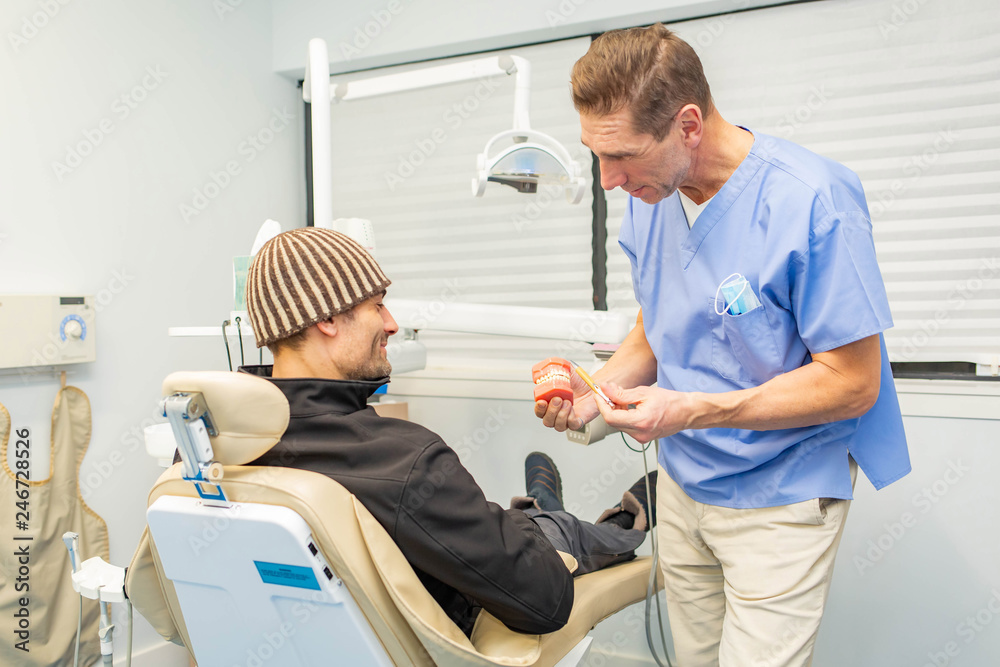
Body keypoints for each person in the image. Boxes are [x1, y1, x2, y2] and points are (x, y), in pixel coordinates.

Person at [534, 24, 911, 666]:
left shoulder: (811, 200)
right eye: (596, 154)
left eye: (621, 155)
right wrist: (595, 391)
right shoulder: (650, 192)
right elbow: (660, 320)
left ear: (687, 125)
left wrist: (691, 409)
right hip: (684, 487)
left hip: (782, 492)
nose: (606, 180)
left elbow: (853, 383)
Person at [240, 226, 654, 637]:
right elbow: (546, 600)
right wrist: (525, 529)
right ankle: (616, 518)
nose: (392, 324)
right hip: (483, 593)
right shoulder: (403, 461)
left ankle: (539, 509)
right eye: (378, 306)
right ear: (328, 318)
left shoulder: (213, 452)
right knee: (562, 531)